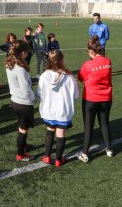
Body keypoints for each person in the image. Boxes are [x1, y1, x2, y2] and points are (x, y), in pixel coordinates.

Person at [37, 50, 79, 168]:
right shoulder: (69, 77)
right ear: (62, 60)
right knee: (60, 133)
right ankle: (58, 160)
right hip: (63, 112)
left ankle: (46, 156)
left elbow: (39, 93)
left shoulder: (44, 76)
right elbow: (75, 95)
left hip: (48, 111)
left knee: (50, 130)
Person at [77, 35, 113, 163]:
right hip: (106, 99)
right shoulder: (108, 61)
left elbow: (80, 78)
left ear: (91, 51)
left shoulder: (87, 64)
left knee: (89, 126)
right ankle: (109, 149)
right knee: (104, 123)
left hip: (91, 99)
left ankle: (85, 153)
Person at [5, 40, 36, 162]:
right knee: (23, 129)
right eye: (26, 52)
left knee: (21, 126)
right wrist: (34, 98)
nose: (27, 54)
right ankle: (20, 155)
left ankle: (24, 145)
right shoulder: (20, 69)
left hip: (15, 100)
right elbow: (26, 89)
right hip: (23, 102)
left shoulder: (10, 64)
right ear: (22, 53)